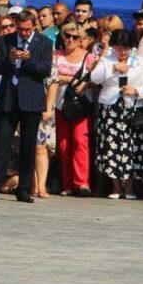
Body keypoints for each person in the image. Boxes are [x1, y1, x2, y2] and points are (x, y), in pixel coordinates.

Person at [0, 10, 53, 204]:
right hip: (9, 99)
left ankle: (24, 189)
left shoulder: (44, 42)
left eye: (27, 30)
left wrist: (28, 60)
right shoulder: (6, 40)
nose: (24, 33)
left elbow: (45, 70)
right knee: (2, 144)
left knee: (28, 147)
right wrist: (10, 59)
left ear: (34, 26)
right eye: (20, 29)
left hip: (32, 99)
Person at [91, 29, 143, 200]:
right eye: (118, 48)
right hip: (110, 108)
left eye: (126, 48)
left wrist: (136, 90)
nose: (122, 52)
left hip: (132, 107)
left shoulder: (139, 61)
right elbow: (94, 79)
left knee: (132, 146)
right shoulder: (106, 60)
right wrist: (113, 67)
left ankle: (130, 186)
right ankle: (116, 186)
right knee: (112, 146)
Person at [46, 22, 95, 197]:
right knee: (64, 145)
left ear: (81, 39)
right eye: (67, 36)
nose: (71, 40)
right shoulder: (56, 55)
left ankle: (82, 182)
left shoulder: (88, 57)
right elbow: (51, 76)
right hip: (59, 105)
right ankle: (67, 183)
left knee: (80, 142)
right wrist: (71, 79)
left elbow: (95, 78)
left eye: (75, 37)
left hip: (79, 106)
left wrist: (84, 82)